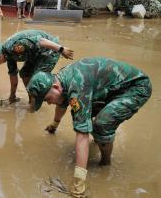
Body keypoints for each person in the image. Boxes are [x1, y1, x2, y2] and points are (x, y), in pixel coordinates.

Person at [26, 57, 152, 197]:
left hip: (137, 88)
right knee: (83, 115)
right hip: (112, 89)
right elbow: (62, 103)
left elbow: (82, 135)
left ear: (55, 87)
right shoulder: (60, 80)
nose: (48, 103)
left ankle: (105, 163)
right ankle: (100, 142)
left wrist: (79, 181)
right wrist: (54, 125)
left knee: (101, 124)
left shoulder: (77, 87)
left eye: (46, 99)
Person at [0, 29, 74, 103]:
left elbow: (41, 41)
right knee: (24, 73)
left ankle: (36, 105)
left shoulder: (14, 47)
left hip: (49, 50)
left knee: (37, 79)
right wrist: (12, 97)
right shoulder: (8, 56)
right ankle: (32, 98)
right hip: (35, 54)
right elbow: (13, 78)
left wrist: (61, 49)